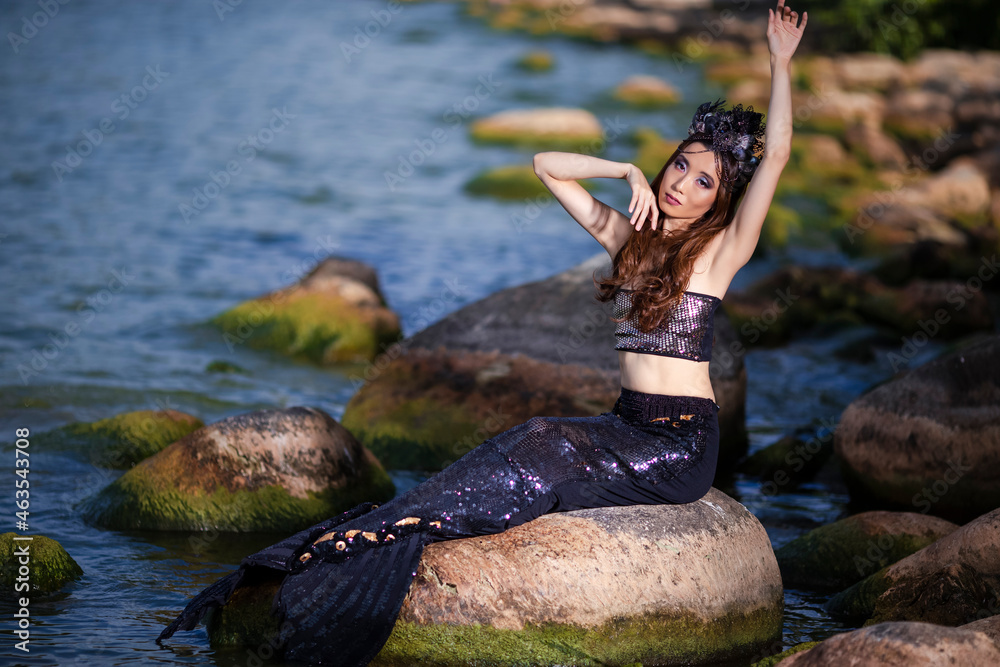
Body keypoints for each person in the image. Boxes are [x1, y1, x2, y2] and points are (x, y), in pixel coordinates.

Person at [157, 2, 807, 664]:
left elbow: (777, 155)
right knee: (534, 434)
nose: (683, 184)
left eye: (704, 181)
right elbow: (545, 164)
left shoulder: (717, 258)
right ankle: (391, 524)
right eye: (680, 165)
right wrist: (623, 171)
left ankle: (406, 529)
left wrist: (779, 61)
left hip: (677, 444)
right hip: (626, 420)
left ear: (718, 201)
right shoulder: (626, 240)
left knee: (547, 451)